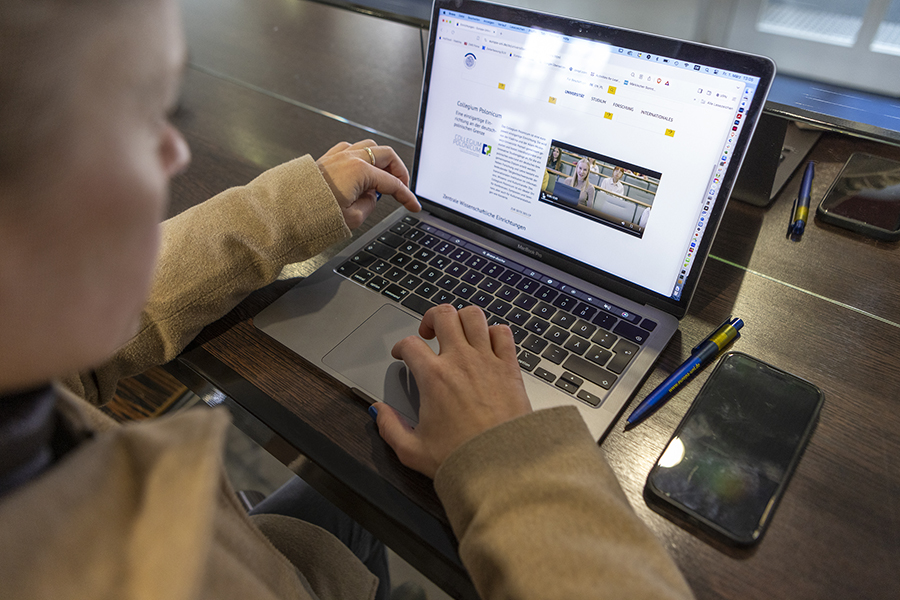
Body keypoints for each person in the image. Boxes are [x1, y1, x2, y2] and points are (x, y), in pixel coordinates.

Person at [0, 1, 695, 599]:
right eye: (140, 114)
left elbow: (98, 316)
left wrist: (292, 205)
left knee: (358, 486)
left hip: (246, 553)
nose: (174, 154)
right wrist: (507, 459)